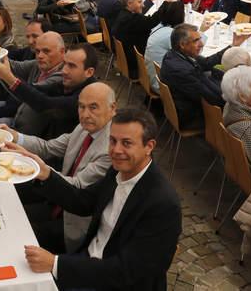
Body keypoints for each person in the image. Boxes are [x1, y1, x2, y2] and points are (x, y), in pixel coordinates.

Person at [13, 108, 181, 291]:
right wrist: (45, 173)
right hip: (88, 263)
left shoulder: (163, 204)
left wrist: (55, 264)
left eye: (126, 143)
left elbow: (128, 272)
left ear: (149, 146)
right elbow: (83, 202)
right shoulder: (117, 170)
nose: (116, 150)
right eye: (113, 141)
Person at [0, 83, 115, 253]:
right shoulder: (83, 128)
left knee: (17, 233)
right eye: (81, 107)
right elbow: (48, 147)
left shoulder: (111, 148)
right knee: (7, 212)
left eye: (93, 107)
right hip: (56, 203)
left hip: (73, 223)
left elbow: (76, 187)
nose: (85, 114)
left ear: (113, 109)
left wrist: (42, 170)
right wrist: (16, 137)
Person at [0, 43, 98, 139]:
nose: (64, 70)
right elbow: (35, 90)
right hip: (31, 136)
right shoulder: (71, 82)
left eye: (71, 66)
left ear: (89, 72)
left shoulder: (88, 96)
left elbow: (44, 104)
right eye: (65, 64)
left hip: (49, 151)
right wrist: (4, 74)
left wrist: (8, 77)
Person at [159, 23, 250, 129]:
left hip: (184, 104)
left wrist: (233, 46)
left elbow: (207, 63)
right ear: (182, 44)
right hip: (191, 117)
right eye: (196, 41)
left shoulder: (174, 55)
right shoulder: (184, 71)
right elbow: (216, 99)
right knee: (242, 105)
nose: (201, 44)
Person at [0, 32, 65, 132]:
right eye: (37, 51)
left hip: (27, 134)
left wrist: (6, 75)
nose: (40, 56)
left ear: (62, 52)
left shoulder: (62, 76)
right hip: (16, 119)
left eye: (46, 51)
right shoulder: (38, 64)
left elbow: (30, 92)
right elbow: (14, 66)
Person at [112, 0, 177, 77]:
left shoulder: (124, 13)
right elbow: (152, 21)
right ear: (129, 3)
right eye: (139, 2)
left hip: (126, 57)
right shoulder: (131, 19)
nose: (143, 5)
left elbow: (141, 17)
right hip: (136, 64)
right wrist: (167, 1)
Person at [144, 2, 186, 92]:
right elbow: (187, 54)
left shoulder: (159, 27)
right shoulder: (170, 34)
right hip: (162, 86)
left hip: (149, 77)